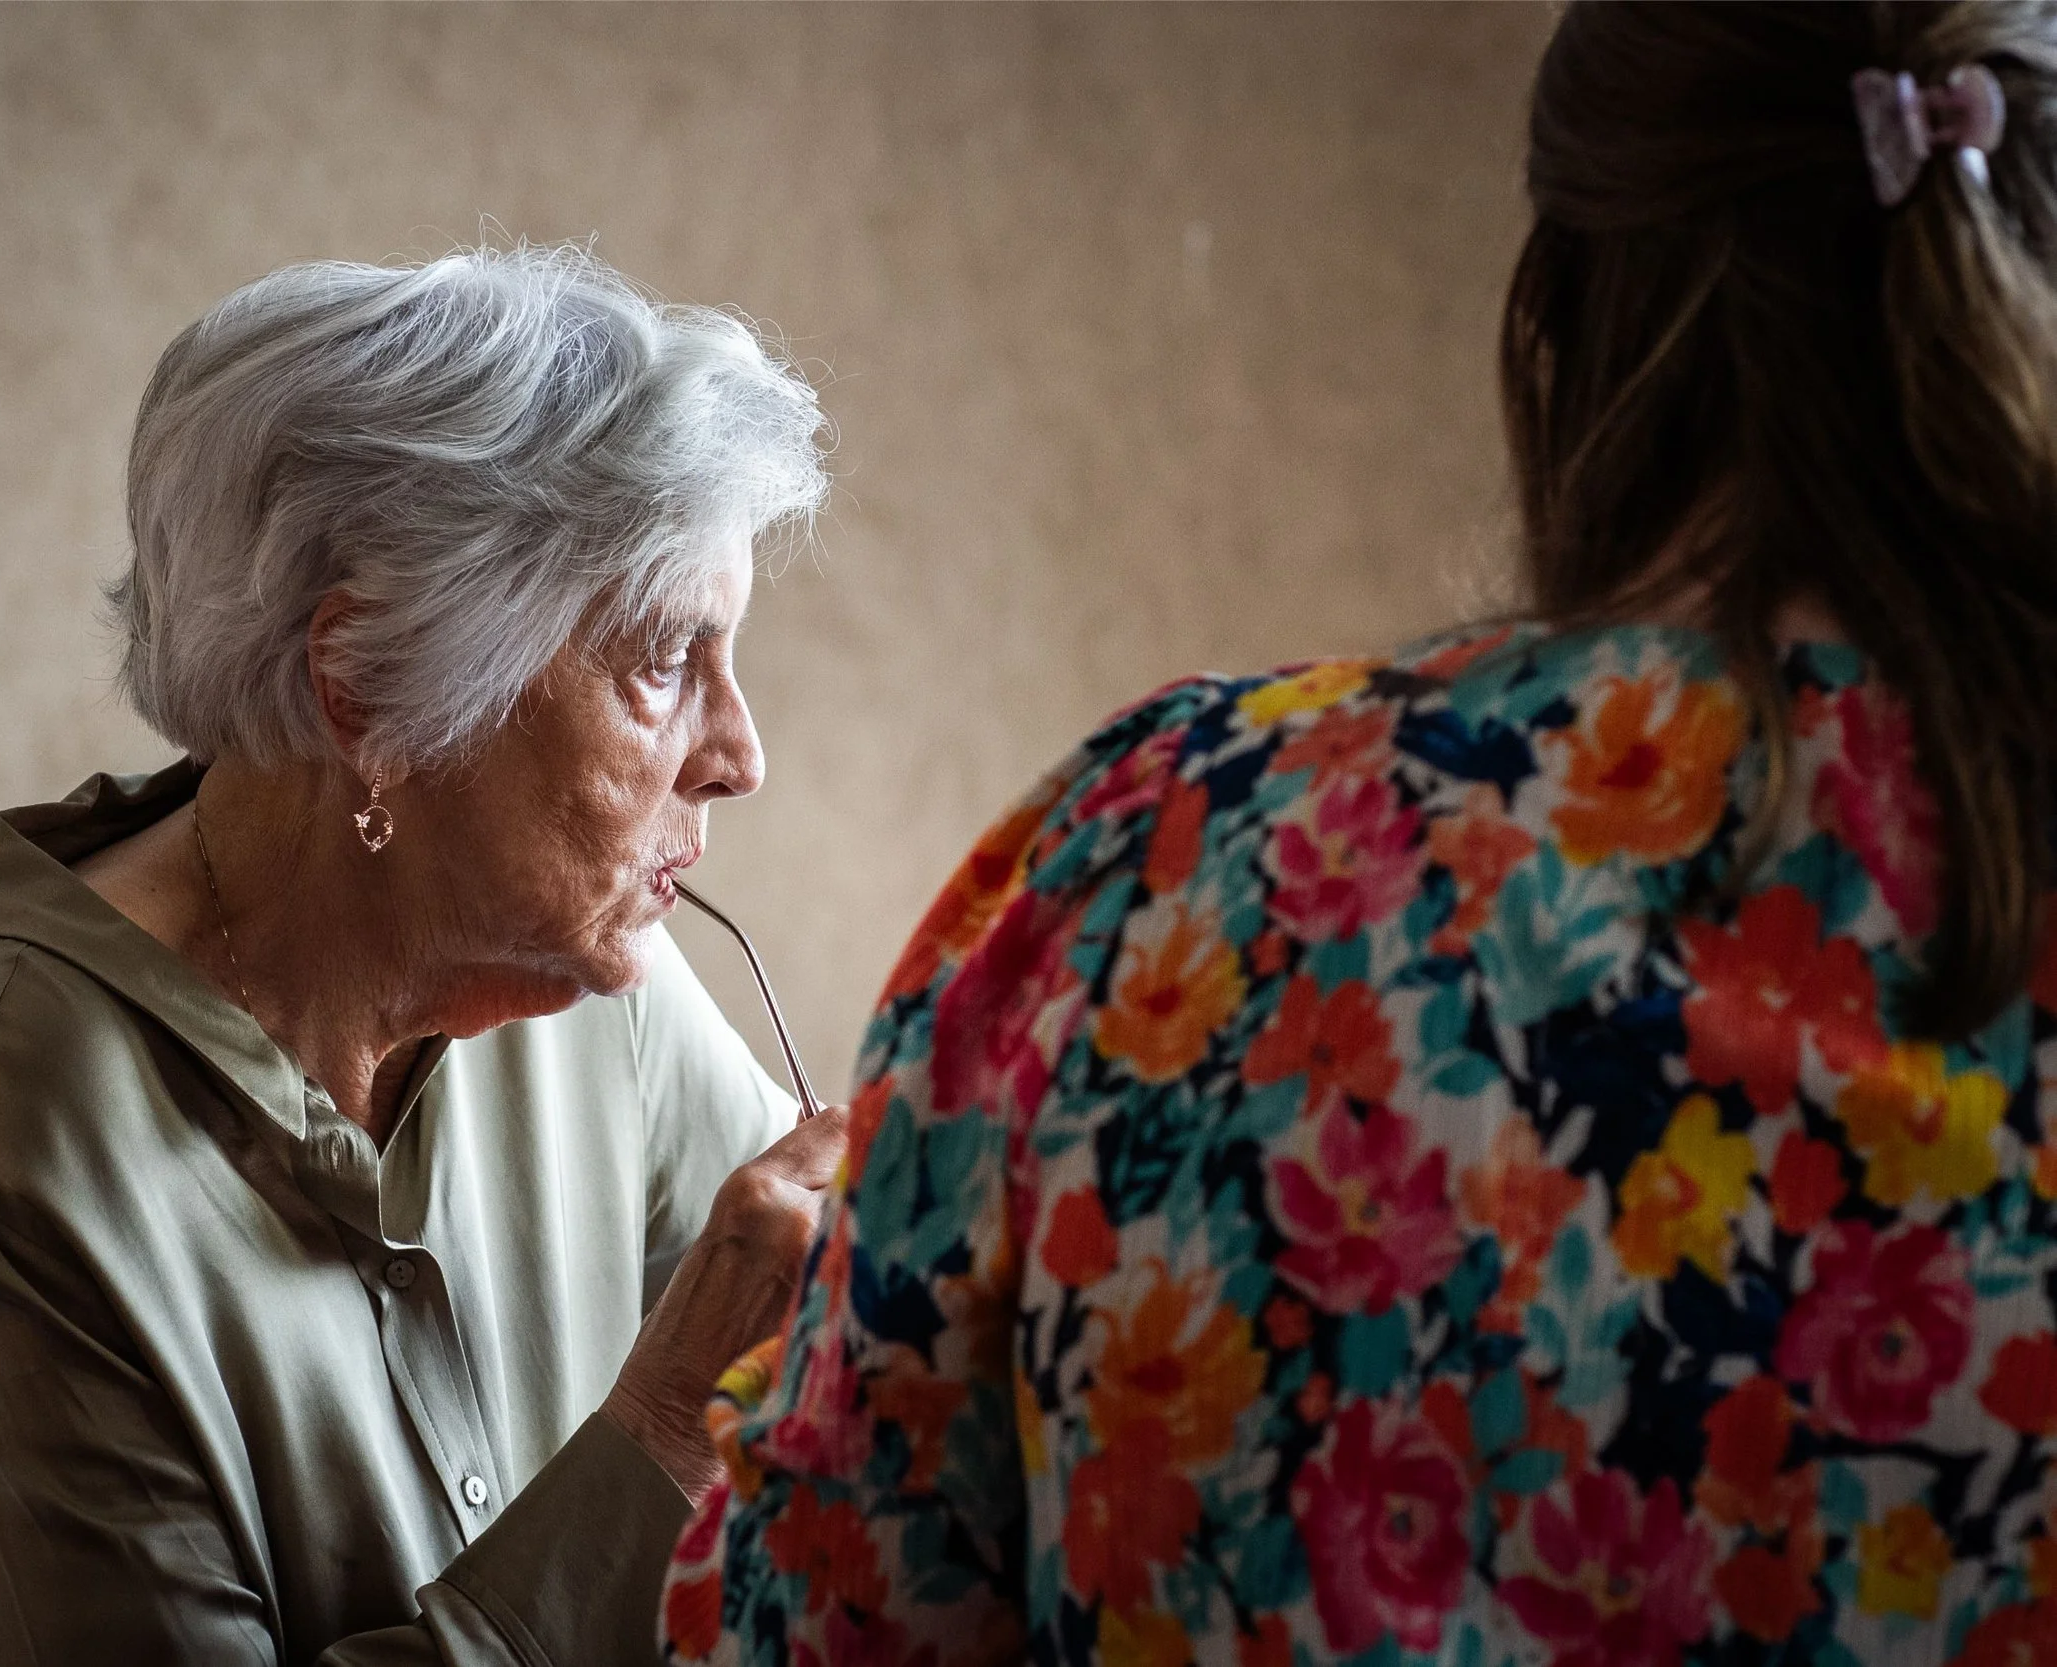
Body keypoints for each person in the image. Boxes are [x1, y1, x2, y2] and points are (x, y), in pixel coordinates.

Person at [665, 5, 2057, 1663]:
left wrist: (765, 1378)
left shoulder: (1171, 857)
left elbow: (807, 1622)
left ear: (1556, 322)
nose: (737, 754)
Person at [0, 244, 851, 1667]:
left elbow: (845, 1416)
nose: (741, 756)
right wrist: (668, 1433)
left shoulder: (589, 984)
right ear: (364, 686)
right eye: (665, 663)